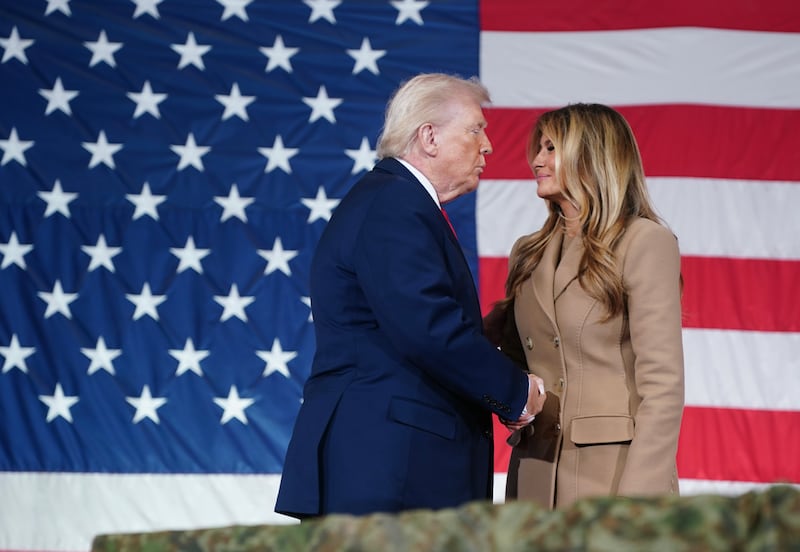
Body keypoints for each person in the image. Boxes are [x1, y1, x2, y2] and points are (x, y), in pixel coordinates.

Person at [275, 73, 546, 520]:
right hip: (388, 471)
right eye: (476, 129)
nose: (488, 146)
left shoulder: (395, 202)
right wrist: (515, 392)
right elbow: (428, 328)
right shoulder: (395, 205)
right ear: (429, 137)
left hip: (388, 466)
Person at [484, 103, 685, 509]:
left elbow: (663, 388)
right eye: (538, 149)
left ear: (592, 156)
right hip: (533, 475)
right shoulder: (528, 252)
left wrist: (637, 503)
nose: (536, 161)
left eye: (551, 148)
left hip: (613, 477)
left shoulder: (645, 242)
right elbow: (501, 351)